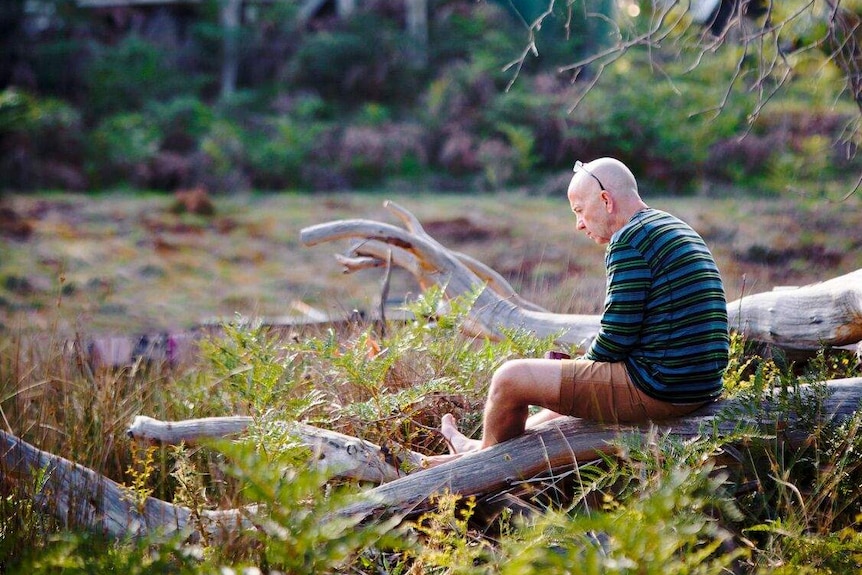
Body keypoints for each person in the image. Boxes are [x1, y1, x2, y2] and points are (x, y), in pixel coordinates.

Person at [429, 157, 730, 463]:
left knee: (510, 377)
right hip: (696, 386)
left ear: (605, 200)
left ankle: (478, 462)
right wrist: (575, 374)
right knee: (558, 392)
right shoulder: (669, 225)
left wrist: (581, 368)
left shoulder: (629, 240)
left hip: (659, 388)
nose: (579, 224)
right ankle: (478, 448)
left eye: (580, 211)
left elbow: (617, 336)